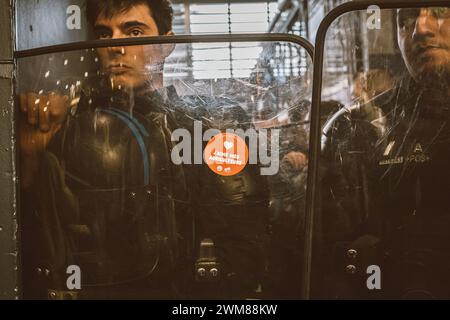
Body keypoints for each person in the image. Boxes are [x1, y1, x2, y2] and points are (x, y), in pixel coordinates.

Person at [20, 0, 190, 299]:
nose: (115, 47)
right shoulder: (68, 123)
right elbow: (40, 240)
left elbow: (237, 245)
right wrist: (32, 154)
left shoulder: (194, 126)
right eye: (103, 34)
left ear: (167, 43)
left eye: (134, 32)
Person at [318, 6, 450, 299]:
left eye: (441, 10)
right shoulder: (355, 128)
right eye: (406, 19)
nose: (421, 29)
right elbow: (333, 249)